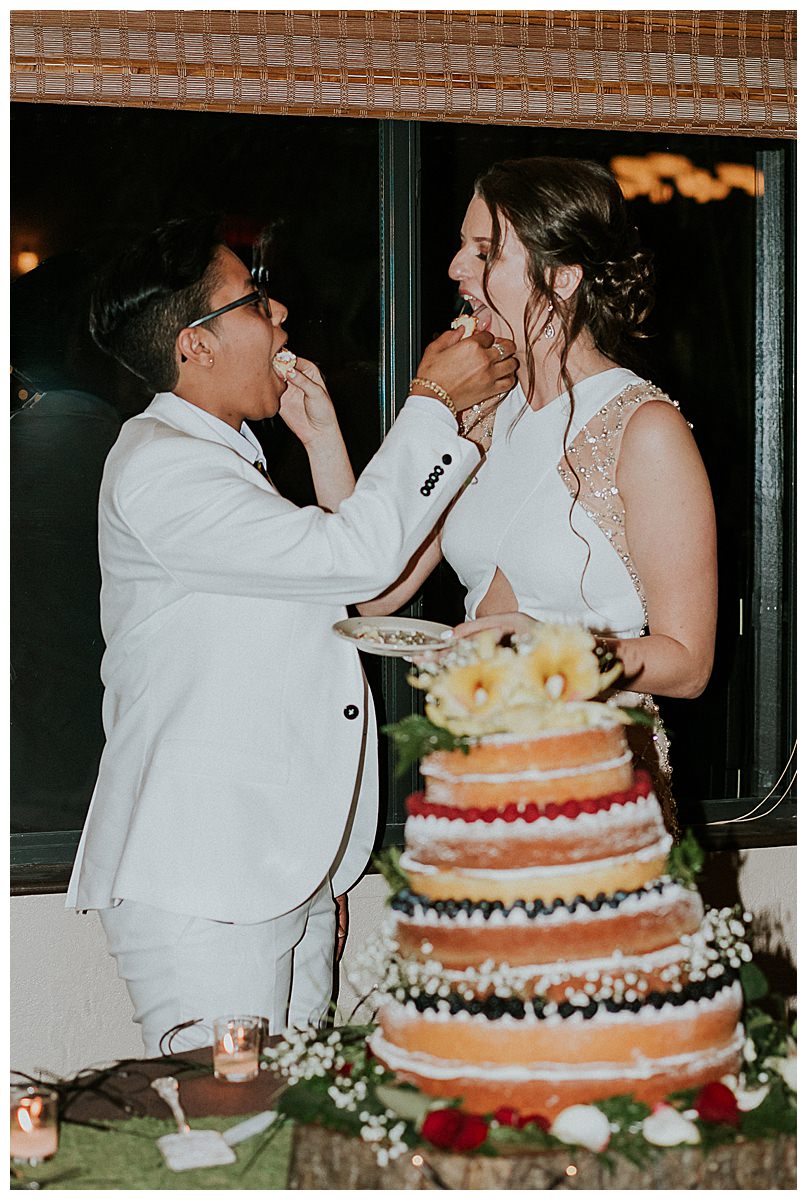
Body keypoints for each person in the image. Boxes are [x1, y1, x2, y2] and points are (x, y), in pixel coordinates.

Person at [65, 213, 517, 1055]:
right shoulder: (163, 466)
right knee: (228, 1151)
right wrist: (429, 406)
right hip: (209, 883)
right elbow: (355, 560)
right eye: (253, 300)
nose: (279, 317)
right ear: (195, 345)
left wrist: (329, 438)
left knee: (296, 1144)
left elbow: (361, 593)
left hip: (277, 869)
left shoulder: (224, 459)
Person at [358, 157, 718, 832]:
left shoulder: (643, 429)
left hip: (594, 782)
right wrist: (324, 433)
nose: (455, 270)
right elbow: (376, 590)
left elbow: (688, 663)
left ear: (561, 277)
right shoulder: (487, 415)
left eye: (483, 252)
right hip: (475, 768)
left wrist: (553, 650)